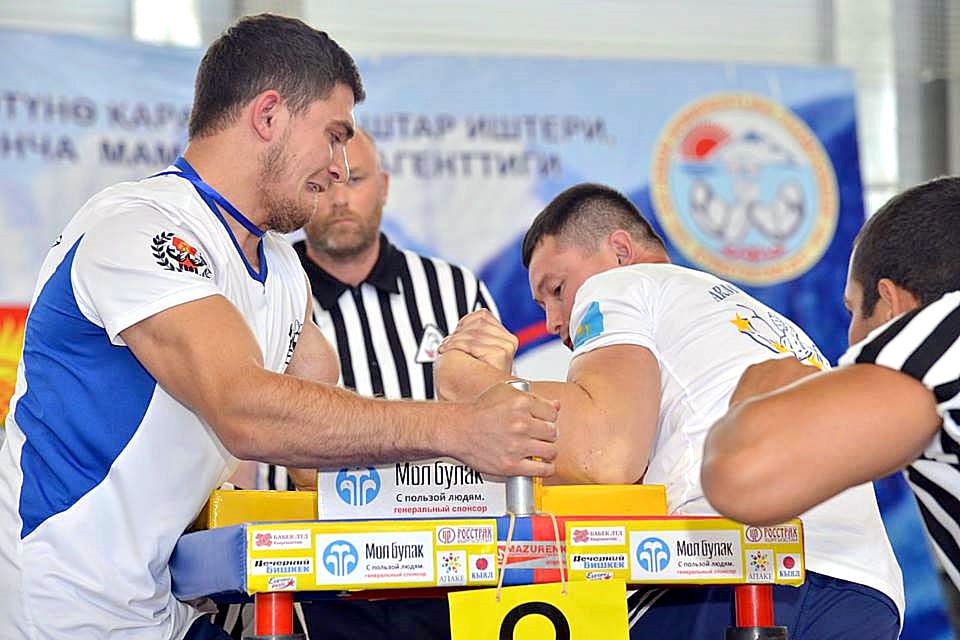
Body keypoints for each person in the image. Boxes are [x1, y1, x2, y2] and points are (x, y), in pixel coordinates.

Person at [0, 14, 559, 640]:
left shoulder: (282, 268)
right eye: (334, 135)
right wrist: (458, 428)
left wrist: (475, 451)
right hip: (63, 605)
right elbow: (247, 411)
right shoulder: (140, 226)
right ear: (268, 115)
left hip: (160, 603)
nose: (339, 167)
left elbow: (319, 445)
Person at [435, 182, 904, 639]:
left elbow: (606, 455)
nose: (555, 320)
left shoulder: (618, 285)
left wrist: (466, 380)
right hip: (863, 586)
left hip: (740, 571)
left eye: (557, 289)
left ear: (620, 251)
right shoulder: (748, 316)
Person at [230, 129, 499, 639]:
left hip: (443, 565)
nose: (339, 198)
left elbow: (496, 413)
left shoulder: (454, 288)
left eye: (355, 180)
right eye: (326, 182)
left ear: (385, 187)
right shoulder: (263, 289)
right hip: (303, 569)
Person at [701, 175, 960, 591]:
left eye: (854, 310)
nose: (852, 337)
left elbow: (744, 474)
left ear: (892, 305)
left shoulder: (940, 336)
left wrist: (763, 399)